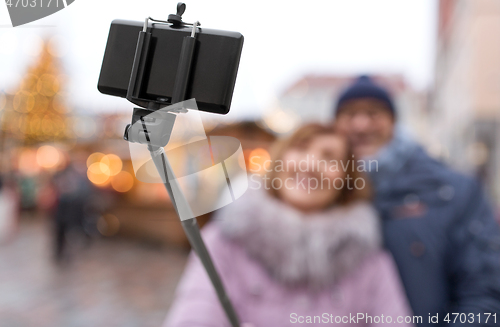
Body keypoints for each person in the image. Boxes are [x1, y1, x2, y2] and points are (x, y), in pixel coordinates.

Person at [164, 124, 414, 327]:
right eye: (301, 148)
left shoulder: (370, 264)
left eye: (329, 158)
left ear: (346, 183)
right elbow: (194, 316)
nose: (310, 165)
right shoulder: (223, 242)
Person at [333, 75, 500, 326]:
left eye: (373, 113)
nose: (360, 125)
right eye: (349, 114)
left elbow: (484, 291)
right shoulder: (319, 193)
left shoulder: (453, 190)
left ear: (394, 122)